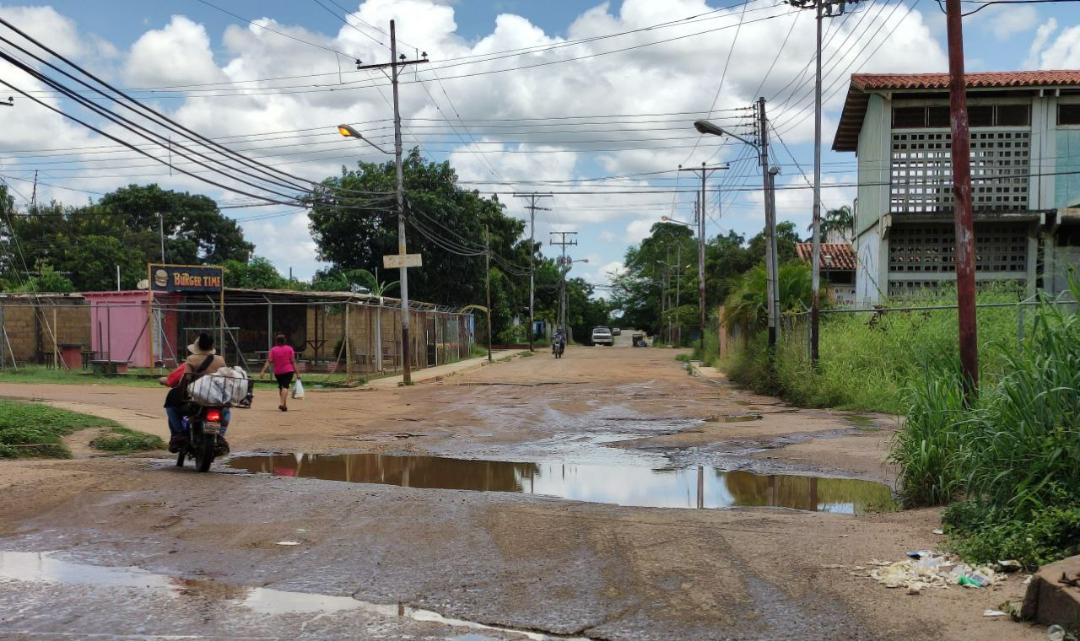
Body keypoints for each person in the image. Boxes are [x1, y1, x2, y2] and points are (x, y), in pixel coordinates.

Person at [159, 332, 230, 453]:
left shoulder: (191, 359)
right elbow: (225, 379)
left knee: (171, 407)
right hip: (215, 400)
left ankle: (179, 434)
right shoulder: (220, 360)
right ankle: (220, 435)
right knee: (226, 411)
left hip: (195, 400)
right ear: (211, 346)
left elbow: (186, 378)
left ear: (198, 346)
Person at [260, 333, 300, 412]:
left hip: (278, 372)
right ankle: (282, 403)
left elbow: (269, 361)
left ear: (276, 341)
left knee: (281, 387)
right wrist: (298, 373)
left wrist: (263, 371)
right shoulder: (289, 349)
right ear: (285, 341)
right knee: (285, 387)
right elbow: (293, 362)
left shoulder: (273, 350)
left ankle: (284, 405)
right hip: (288, 371)